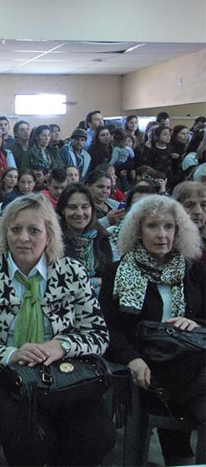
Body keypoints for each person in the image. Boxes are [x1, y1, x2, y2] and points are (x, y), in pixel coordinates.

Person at [0, 193, 114, 466]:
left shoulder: (72, 273)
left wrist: (61, 346)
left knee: (97, 435)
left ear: (49, 234)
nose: (23, 238)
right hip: (8, 377)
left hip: (67, 373)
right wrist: (10, 354)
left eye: (33, 230)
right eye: (15, 229)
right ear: (4, 233)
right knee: (31, 441)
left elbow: (98, 334)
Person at [99, 195, 205, 465]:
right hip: (148, 361)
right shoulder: (117, 272)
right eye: (152, 226)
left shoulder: (192, 270)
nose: (162, 234)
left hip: (192, 357)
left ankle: (181, 459)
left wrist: (196, 324)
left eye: (169, 226)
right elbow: (109, 328)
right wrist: (132, 359)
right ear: (138, 230)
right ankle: (181, 459)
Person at [56, 183, 113, 296]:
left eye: (85, 207)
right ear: (63, 210)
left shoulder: (101, 238)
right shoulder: (55, 241)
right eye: (72, 207)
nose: (80, 213)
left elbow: (110, 279)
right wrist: (96, 281)